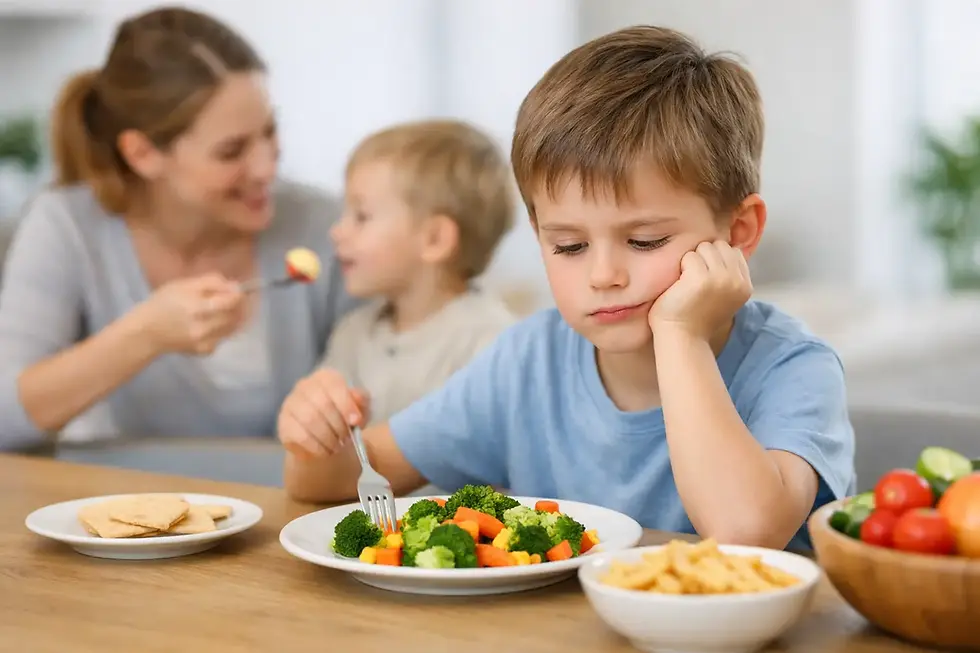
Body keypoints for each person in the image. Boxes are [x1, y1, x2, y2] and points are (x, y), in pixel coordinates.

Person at [277, 26, 856, 550]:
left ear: (739, 231)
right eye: (570, 246)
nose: (603, 274)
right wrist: (317, 439)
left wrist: (680, 334)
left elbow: (744, 532)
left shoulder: (792, 366)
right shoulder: (528, 359)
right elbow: (337, 482)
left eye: (645, 240)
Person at [0, 6, 356, 451]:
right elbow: (5, 419)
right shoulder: (68, 226)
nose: (266, 167)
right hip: (117, 492)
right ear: (142, 154)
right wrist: (145, 335)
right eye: (231, 151)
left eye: (269, 132)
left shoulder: (327, 226)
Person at [286, 119, 515, 441]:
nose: (336, 232)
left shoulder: (493, 344)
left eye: (361, 216)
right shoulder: (353, 334)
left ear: (434, 239)